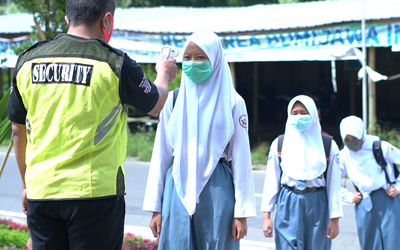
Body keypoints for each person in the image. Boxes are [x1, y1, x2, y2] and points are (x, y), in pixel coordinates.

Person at [7, 0, 177, 249]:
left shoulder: (27, 61)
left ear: (68, 19)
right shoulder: (115, 64)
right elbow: (156, 104)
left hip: (41, 191)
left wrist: (26, 184)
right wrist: (163, 73)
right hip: (95, 195)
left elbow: (17, 131)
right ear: (107, 20)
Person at [142, 30, 256, 249]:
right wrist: (156, 208)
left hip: (218, 187)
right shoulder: (173, 100)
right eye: (187, 58)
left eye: (201, 57)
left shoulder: (233, 102)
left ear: (215, 59)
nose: (193, 63)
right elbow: (161, 155)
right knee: (177, 242)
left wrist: (241, 213)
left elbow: (242, 159)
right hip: (176, 185)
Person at [261, 95, 343, 250]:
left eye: (304, 112)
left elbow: (334, 184)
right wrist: (267, 216)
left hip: (317, 202)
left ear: (313, 114)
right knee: (286, 246)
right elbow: (271, 181)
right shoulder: (279, 144)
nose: (299, 117)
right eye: (295, 113)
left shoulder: (327, 145)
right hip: (288, 201)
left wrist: (335, 218)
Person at [338, 116, 400, 250]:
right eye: (347, 140)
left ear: (362, 134)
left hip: (388, 198)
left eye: (354, 138)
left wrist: (398, 187)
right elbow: (333, 180)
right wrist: (348, 196)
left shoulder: (380, 147)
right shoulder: (344, 155)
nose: (351, 142)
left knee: (393, 241)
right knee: (369, 242)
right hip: (364, 202)